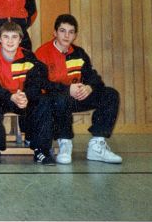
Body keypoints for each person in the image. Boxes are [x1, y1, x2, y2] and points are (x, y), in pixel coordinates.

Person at [35, 14, 122, 164]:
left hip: (76, 98)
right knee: (60, 98)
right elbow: (40, 83)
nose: (66, 35)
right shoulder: (42, 53)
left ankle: (97, 144)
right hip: (54, 100)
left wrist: (89, 87)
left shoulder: (79, 53)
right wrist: (67, 89)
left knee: (110, 94)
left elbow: (94, 78)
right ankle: (65, 142)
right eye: (62, 31)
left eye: (71, 32)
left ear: (75, 35)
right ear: (54, 33)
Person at [0, 22, 55, 165]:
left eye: (14, 37)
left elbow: (35, 82)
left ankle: (41, 150)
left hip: (22, 98)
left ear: (20, 40)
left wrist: (26, 96)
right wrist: (10, 96)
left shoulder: (29, 56)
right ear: (0, 39)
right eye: (6, 37)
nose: (10, 41)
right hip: (2, 98)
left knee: (44, 100)